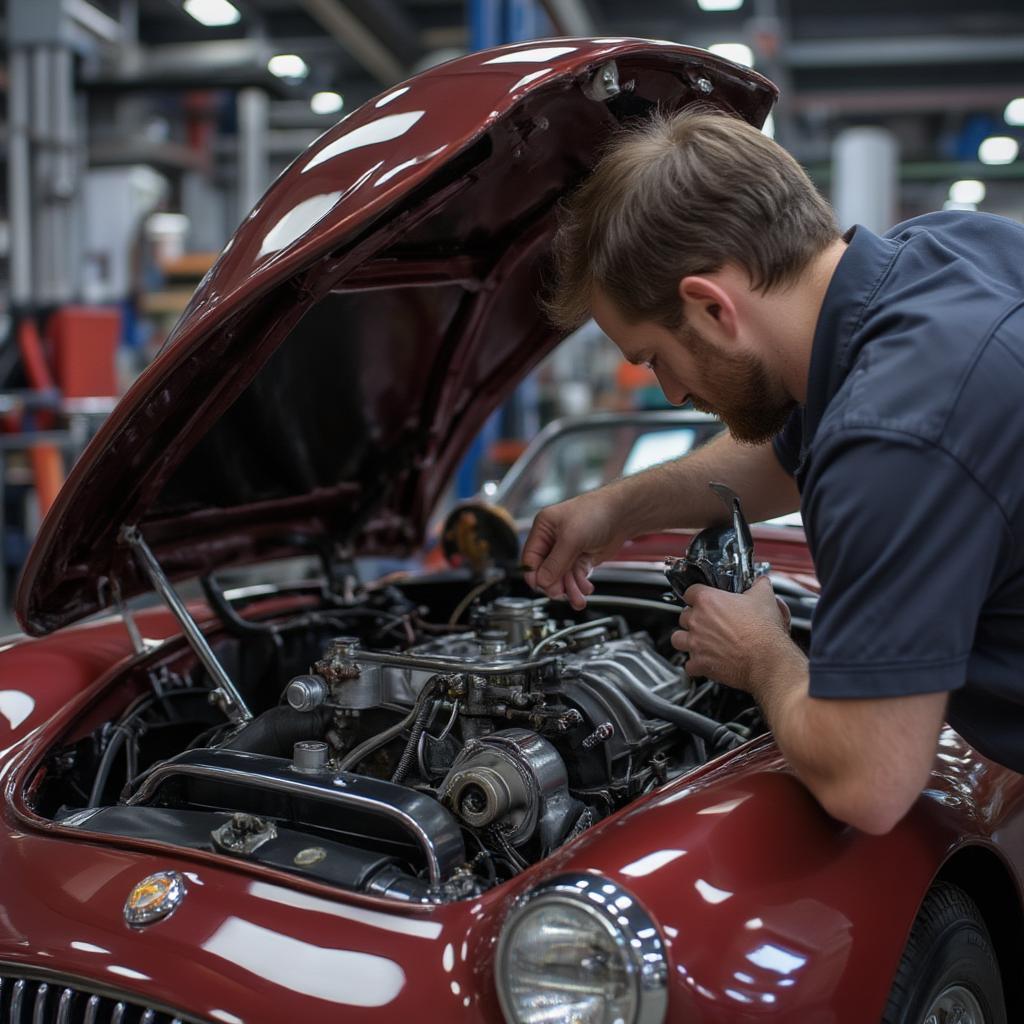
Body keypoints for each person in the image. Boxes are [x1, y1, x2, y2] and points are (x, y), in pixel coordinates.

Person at [522, 107, 1024, 835]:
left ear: (711, 306)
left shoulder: (895, 435)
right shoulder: (947, 250)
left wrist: (761, 654)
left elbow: (870, 782)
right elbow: (787, 454)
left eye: (654, 357)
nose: (669, 392)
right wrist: (618, 509)